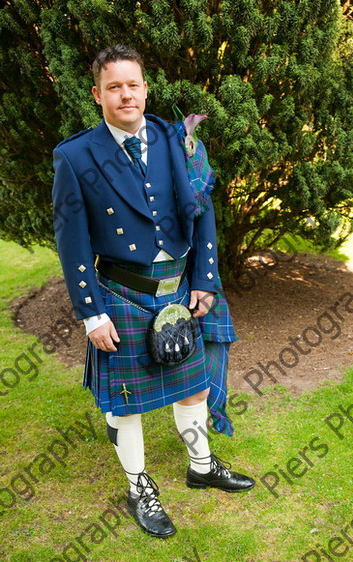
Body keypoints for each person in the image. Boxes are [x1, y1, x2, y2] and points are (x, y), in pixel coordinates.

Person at [52, 44, 255, 539]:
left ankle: (201, 465)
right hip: (122, 293)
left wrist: (206, 280)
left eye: (134, 84)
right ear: (97, 93)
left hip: (180, 289)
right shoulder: (76, 157)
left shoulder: (171, 137)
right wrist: (90, 314)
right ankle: (138, 484)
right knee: (126, 402)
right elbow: (71, 240)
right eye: (115, 86)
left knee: (195, 385)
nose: (126, 95)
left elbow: (201, 206)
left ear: (146, 87)